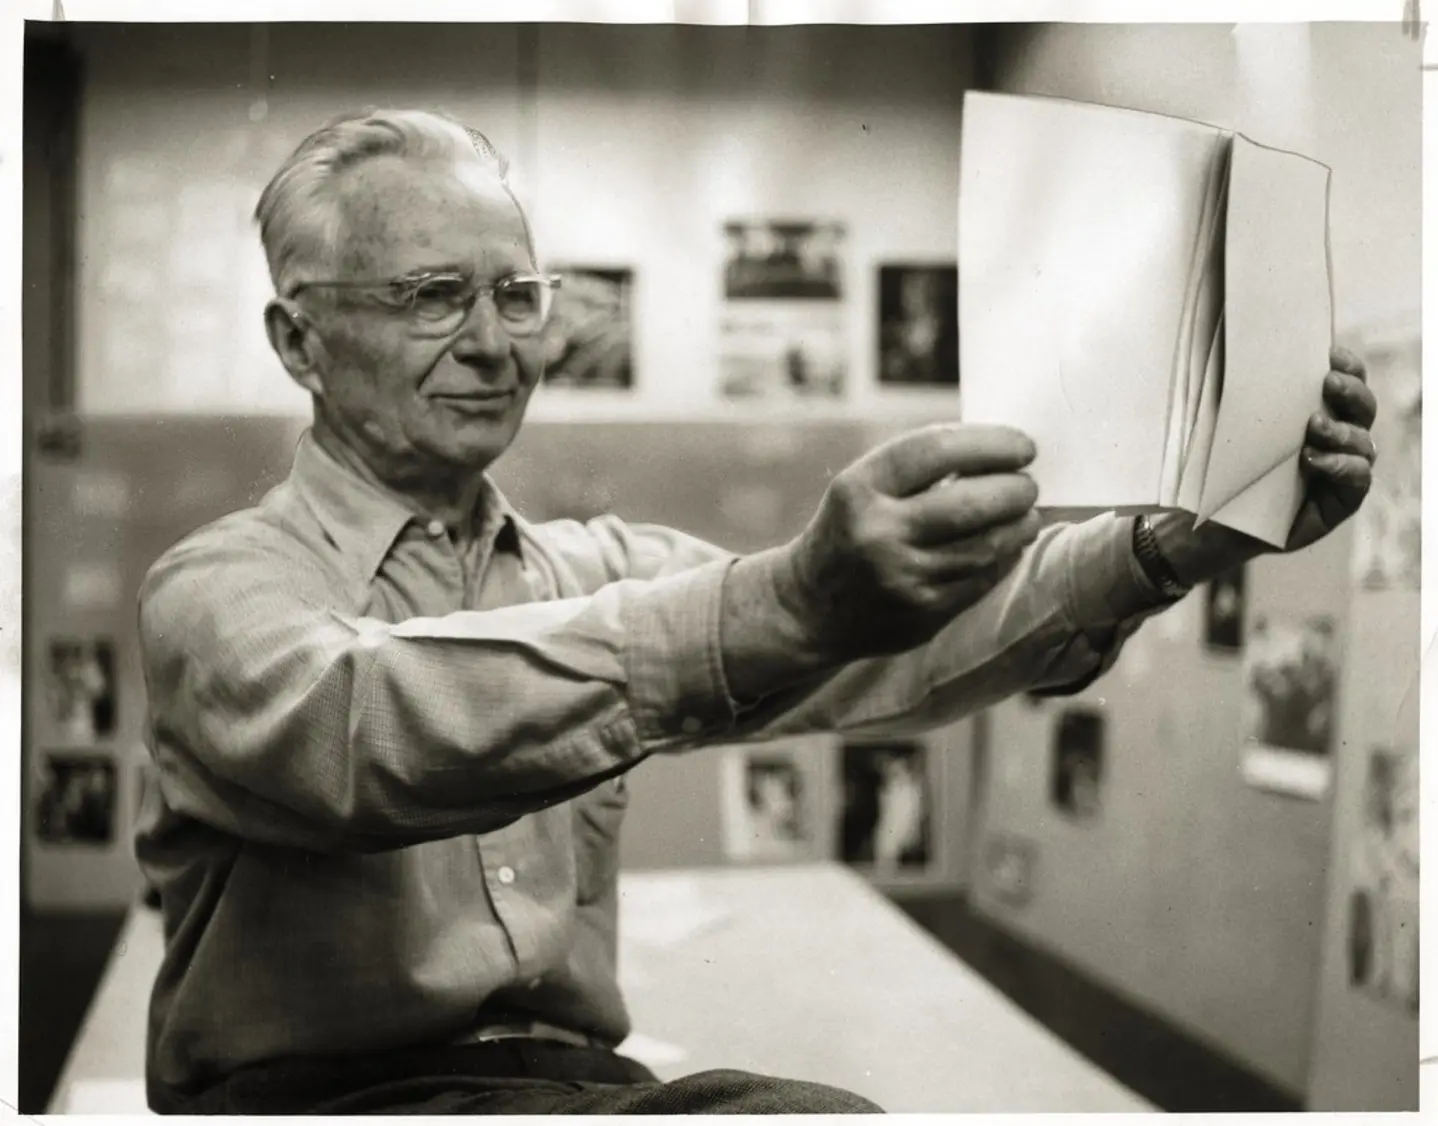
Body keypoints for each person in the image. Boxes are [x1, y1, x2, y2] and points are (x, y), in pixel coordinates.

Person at [133, 108, 1378, 1115]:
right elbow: (369, 728)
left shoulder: (590, 569)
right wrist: (785, 598)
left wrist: (1173, 544)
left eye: (519, 296)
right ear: (297, 341)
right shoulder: (218, 593)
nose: (493, 341)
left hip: (567, 1088)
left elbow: (883, 645)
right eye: (430, 295)